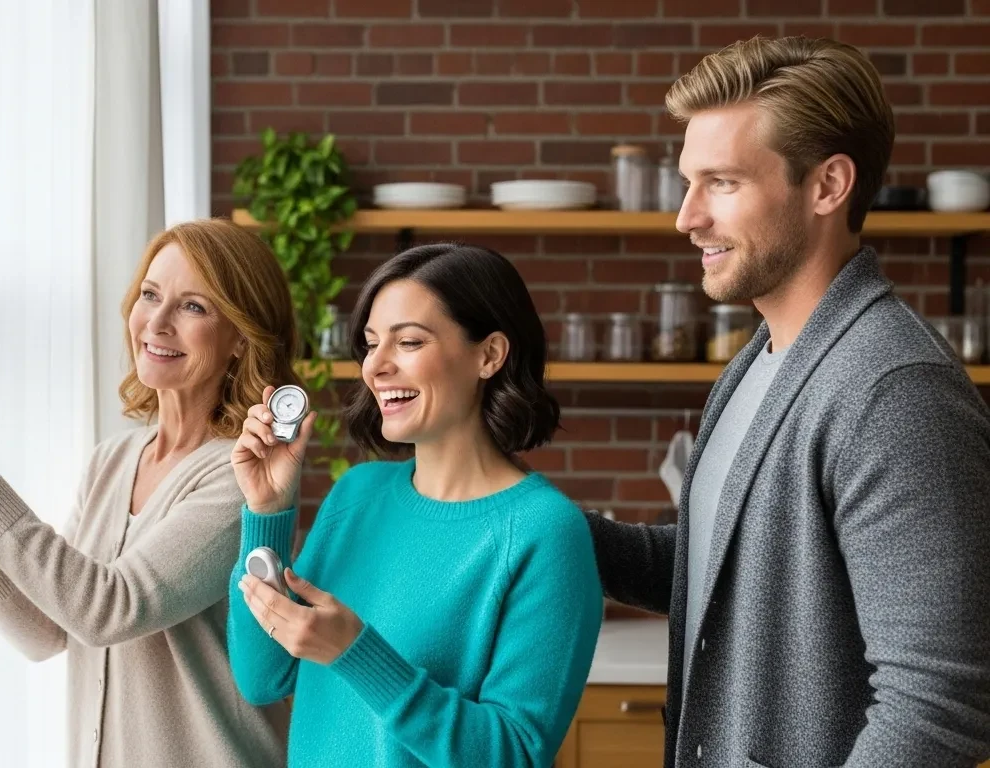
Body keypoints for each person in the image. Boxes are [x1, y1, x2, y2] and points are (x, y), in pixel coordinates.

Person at [586, 36, 990, 767]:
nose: (686, 217)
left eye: (723, 183)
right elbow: (723, 561)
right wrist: (537, 523)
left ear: (828, 185)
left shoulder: (893, 390)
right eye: (688, 182)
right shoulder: (761, 361)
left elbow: (936, 706)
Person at [0, 219, 296, 768]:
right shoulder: (112, 460)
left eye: (193, 307)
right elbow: (51, 631)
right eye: (150, 295)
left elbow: (110, 609)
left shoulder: (241, 475)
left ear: (240, 338)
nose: (157, 323)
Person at [229, 243, 603, 767]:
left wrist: (357, 655)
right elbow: (262, 678)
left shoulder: (544, 533)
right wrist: (266, 512)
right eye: (371, 343)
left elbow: (514, 755)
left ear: (489, 354)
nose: (376, 366)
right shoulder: (357, 495)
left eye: (408, 342)